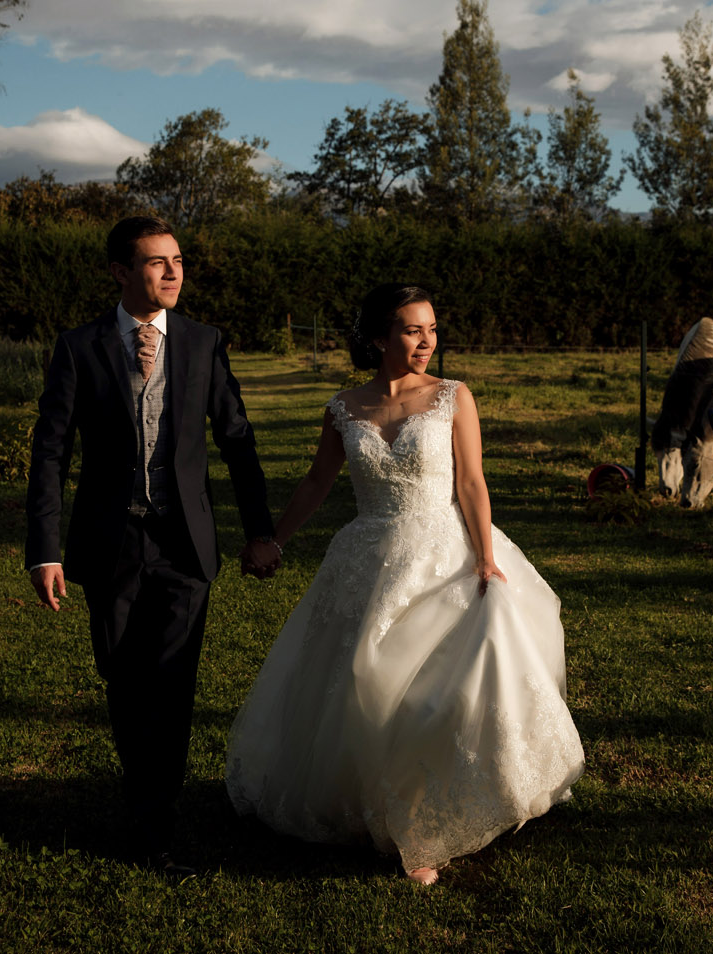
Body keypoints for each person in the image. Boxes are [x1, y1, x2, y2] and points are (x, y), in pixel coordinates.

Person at [225, 284, 584, 885]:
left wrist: (486, 558)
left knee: (444, 687)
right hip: (366, 557)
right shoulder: (344, 407)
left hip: (445, 552)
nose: (427, 342)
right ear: (377, 338)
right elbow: (317, 483)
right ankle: (370, 805)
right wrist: (275, 540)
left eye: (433, 330)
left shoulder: (452, 397)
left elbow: (471, 481)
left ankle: (424, 825)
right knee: (363, 682)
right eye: (413, 330)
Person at [26, 215, 281, 876]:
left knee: (170, 683)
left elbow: (237, 440)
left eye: (177, 260)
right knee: (122, 675)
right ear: (119, 271)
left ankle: (153, 821)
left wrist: (260, 531)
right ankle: (147, 792)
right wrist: (44, 549)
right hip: (110, 542)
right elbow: (50, 452)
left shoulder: (202, 343)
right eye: (155, 262)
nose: (173, 272)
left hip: (183, 545)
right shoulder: (79, 348)